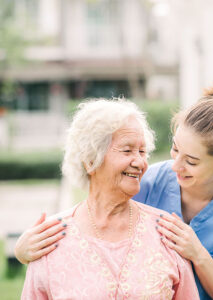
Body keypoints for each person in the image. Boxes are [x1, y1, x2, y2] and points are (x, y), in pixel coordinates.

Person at [17, 82, 213, 300]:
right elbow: (99, 206)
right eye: (175, 149)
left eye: (191, 161)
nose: (176, 165)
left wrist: (198, 254)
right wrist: (24, 250)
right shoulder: (150, 180)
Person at [21, 99, 200, 299]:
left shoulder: (166, 232)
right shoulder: (50, 239)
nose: (140, 162)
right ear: (90, 161)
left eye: (142, 152)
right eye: (127, 150)